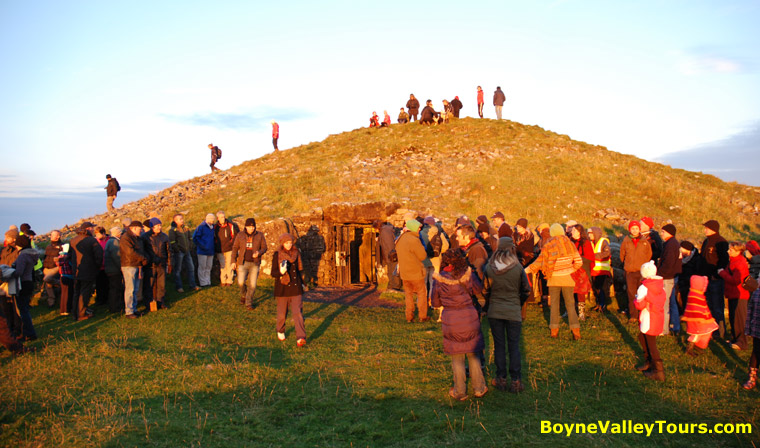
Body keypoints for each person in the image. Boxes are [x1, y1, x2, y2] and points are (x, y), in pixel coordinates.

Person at [431, 248, 487, 400]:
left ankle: (460, 391)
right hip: (469, 316)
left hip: (451, 318)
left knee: (457, 356)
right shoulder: (468, 274)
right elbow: (478, 289)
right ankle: (479, 387)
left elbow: (435, 302)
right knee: (473, 353)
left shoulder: (439, 279)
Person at [484, 237, 531, 393]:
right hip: (513, 310)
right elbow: (526, 290)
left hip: (495, 310)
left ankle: (501, 378)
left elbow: (485, 290)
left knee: (499, 346)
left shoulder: (490, 267)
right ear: (511, 249)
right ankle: (516, 380)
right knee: (514, 346)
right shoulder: (518, 267)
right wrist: (518, 301)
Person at [525, 224, 583, 339]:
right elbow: (579, 262)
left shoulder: (549, 245)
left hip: (553, 279)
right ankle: (576, 331)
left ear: (552, 233)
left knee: (554, 306)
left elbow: (538, 262)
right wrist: (570, 269)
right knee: (570, 305)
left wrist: (524, 270)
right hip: (567, 279)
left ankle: (554, 330)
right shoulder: (570, 244)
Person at [271, 233, 307, 347]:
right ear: (282, 243)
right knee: (282, 314)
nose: (289, 245)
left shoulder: (296, 253)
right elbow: (273, 273)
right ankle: (280, 330)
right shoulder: (277, 255)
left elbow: (300, 270)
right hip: (282, 287)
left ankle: (301, 337)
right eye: (286, 243)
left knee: (298, 313)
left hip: (295, 287)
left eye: (290, 243)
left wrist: (303, 284)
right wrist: (281, 272)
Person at [634, 261, 667, 381]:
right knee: (643, 337)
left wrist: (636, 300)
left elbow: (639, 304)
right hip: (657, 316)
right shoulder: (660, 286)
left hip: (649, 317)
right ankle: (649, 362)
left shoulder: (644, 287)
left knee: (651, 343)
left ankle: (658, 371)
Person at [699, 219, 729, 340]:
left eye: (707, 228)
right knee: (709, 305)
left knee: (717, 306)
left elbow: (724, 260)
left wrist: (717, 275)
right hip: (705, 279)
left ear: (713, 229)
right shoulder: (706, 241)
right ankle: (711, 329)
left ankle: (720, 331)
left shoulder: (721, 242)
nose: (705, 229)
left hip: (715, 279)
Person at [68, 222, 103, 321]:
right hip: (88, 270)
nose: (93, 230)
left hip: (76, 270)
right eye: (92, 228)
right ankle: (81, 314)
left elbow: (69, 255)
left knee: (77, 292)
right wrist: (97, 267)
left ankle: (75, 313)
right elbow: (99, 255)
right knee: (85, 292)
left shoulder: (73, 240)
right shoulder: (91, 240)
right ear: (88, 229)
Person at [396, 219, 429, 322]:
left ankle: (409, 317)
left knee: (408, 295)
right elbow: (422, 256)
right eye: (419, 228)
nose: (420, 230)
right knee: (421, 293)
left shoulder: (401, 238)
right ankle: (422, 316)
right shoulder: (414, 240)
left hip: (405, 273)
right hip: (416, 272)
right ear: (414, 228)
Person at [619, 220, 652, 323]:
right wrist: (627, 264)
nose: (634, 230)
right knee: (631, 293)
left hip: (641, 272)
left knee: (642, 294)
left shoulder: (644, 241)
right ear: (630, 230)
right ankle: (633, 315)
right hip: (630, 271)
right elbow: (622, 254)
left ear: (639, 229)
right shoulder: (626, 240)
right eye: (632, 229)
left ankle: (642, 315)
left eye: (636, 228)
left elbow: (649, 254)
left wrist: (644, 266)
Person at [231, 218, 267, 309]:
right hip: (243, 262)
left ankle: (248, 302)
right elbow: (235, 248)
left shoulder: (260, 235)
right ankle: (244, 295)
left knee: (253, 284)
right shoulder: (240, 235)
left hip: (255, 263)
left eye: (252, 226)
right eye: (249, 226)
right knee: (240, 282)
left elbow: (264, 247)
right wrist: (233, 261)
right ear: (245, 227)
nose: (251, 228)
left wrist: (259, 253)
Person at [720, 241, 750, 350]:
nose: (728, 251)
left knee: (739, 319)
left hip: (739, 295)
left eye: (731, 250)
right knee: (733, 317)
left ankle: (741, 342)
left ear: (738, 251)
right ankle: (735, 338)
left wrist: (722, 273)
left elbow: (736, 281)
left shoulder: (739, 262)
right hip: (733, 294)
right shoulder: (734, 261)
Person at [10, 235, 38, 341]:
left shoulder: (22, 256)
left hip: (23, 283)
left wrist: (9, 272)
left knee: (23, 310)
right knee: (25, 308)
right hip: (29, 282)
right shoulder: (31, 254)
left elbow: (19, 272)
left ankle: (29, 333)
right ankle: (29, 332)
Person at [682, 275, 717, 357]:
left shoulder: (697, 294)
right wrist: (700, 317)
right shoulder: (695, 296)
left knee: (704, 332)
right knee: (696, 334)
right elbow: (695, 309)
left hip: (700, 319)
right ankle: (689, 349)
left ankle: (698, 345)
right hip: (697, 320)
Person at [120, 220, 148, 318]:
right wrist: (143, 258)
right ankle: (129, 311)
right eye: (140, 229)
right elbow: (130, 252)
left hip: (136, 264)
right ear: (134, 228)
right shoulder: (126, 238)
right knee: (130, 289)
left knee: (135, 289)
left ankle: (134, 309)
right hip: (129, 265)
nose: (141, 231)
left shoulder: (136, 238)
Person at [657, 224, 681, 335]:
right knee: (671, 302)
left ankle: (663, 329)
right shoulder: (672, 243)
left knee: (664, 303)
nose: (662, 234)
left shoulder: (671, 245)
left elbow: (668, 262)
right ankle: (675, 326)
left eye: (663, 232)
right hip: (671, 276)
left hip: (667, 277)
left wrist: (659, 274)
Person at [169, 214, 198, 293]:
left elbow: (190, 238)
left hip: (187, 251)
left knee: (191, 268)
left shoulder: (186, 228)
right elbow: (172, 242)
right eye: (180, 219)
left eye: (182, 219)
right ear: (176, 221)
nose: (182, 220)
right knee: (178, 269)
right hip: (179, 252)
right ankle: (179, 287)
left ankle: (193, 285)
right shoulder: (173, 230)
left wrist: (190, 246)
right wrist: (177, 250)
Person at [570, 224, 593, 321]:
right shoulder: (570, 242)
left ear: (579, 232)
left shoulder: (585, 243)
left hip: (581, 271)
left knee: (580, 292)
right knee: (570, 291)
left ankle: (581, 313)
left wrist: (576, 260)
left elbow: (589, 257)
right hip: (571, 270)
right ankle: (570, 311)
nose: (572, 232)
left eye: (574, 230)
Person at [741, 269, 760, 389]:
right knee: (756, 352)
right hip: (757, 330)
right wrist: (748, 329)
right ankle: (752, 377)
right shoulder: (757, 294)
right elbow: (751, 311)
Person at [147, 218, 171, 310]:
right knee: (151, 285)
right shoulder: (146, 237)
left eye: (160, 225)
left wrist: (170, 263)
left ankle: (161, 302)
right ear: (152, 227)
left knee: (161, 285)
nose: (159, 227)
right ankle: (151, 303)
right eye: (157, 226)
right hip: (151, 265)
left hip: (162, 264)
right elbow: (146, 251)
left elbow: (169, 251)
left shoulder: (164, 236)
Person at [588, 227, 612, 313]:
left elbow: (607, 253)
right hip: (594, 270)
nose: (589, 235)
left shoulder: (603, 242)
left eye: (591, 233)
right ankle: (598, 304)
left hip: (602, 270)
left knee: (602, 289)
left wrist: (594, 256)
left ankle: (603, 305)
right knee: (596, 288)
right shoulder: (590, 243)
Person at [374, 220, 401, 291]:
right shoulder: (386, 230)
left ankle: (395, 286)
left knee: (393, 270)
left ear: (377, 227)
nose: (375, 230)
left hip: (391, 255)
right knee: (391, 270)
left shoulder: (384, 232)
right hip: (391, 254)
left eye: (375, 228)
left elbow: (388, 245)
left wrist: (389, 256)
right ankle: (392, 285)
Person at [214, 211, 239, 287]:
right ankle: (223, 280)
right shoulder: (215, 227)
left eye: (224, 217)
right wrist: (217, 245)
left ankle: (229, 280)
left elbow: (235, 236)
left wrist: (230, 244)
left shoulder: (230, 225)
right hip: (220, 249)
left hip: (229, 248)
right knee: (222, 265)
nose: (223, 218)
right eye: (221, 217)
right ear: (218, 218)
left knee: (229, 264)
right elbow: (214, 237)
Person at [677, 241, 702, 314]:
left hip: (690, 284)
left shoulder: (696, 259)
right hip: (682, 283)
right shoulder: (682, 259)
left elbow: (697, 272)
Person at [104, 226, 124, 313]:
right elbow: (117, 257)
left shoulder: (109, 241)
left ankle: (113, 306)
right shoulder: (114, 242)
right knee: (116, 289)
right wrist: (121, 267)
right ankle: (115, 307)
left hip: (110, 269)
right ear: (118, 233)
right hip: (114, 270)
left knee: (113, 288)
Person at [194, 214, 216, 287]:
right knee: (202, 267)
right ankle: (203, 282)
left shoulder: (212, 227)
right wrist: (203, 246)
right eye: (212, 220)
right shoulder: (201, 227)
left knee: (209, 267)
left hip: (211, 250)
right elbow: (195, 237)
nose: (213, 221)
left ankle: (208, 281)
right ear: (208, 219)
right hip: (202, 251)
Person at [42, 230, 63, 308]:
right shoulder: (48, 246)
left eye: (57, 235)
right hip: (47, 268)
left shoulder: (62, 246)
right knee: (48, 286)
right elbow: (45, 257)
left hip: (55, 267)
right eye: (53, 235)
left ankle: (60, 283)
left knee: (47, 279)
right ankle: (51, 302)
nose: (55, 237)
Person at [93, 226, 110, 306]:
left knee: (107, 283)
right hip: (99, 267)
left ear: (103, 233)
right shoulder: (95, 241)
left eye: (98, 234)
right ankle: (100, 300)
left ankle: (107, 299)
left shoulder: (109, 240)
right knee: (99, 284)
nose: (96, 236)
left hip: (108, 265)